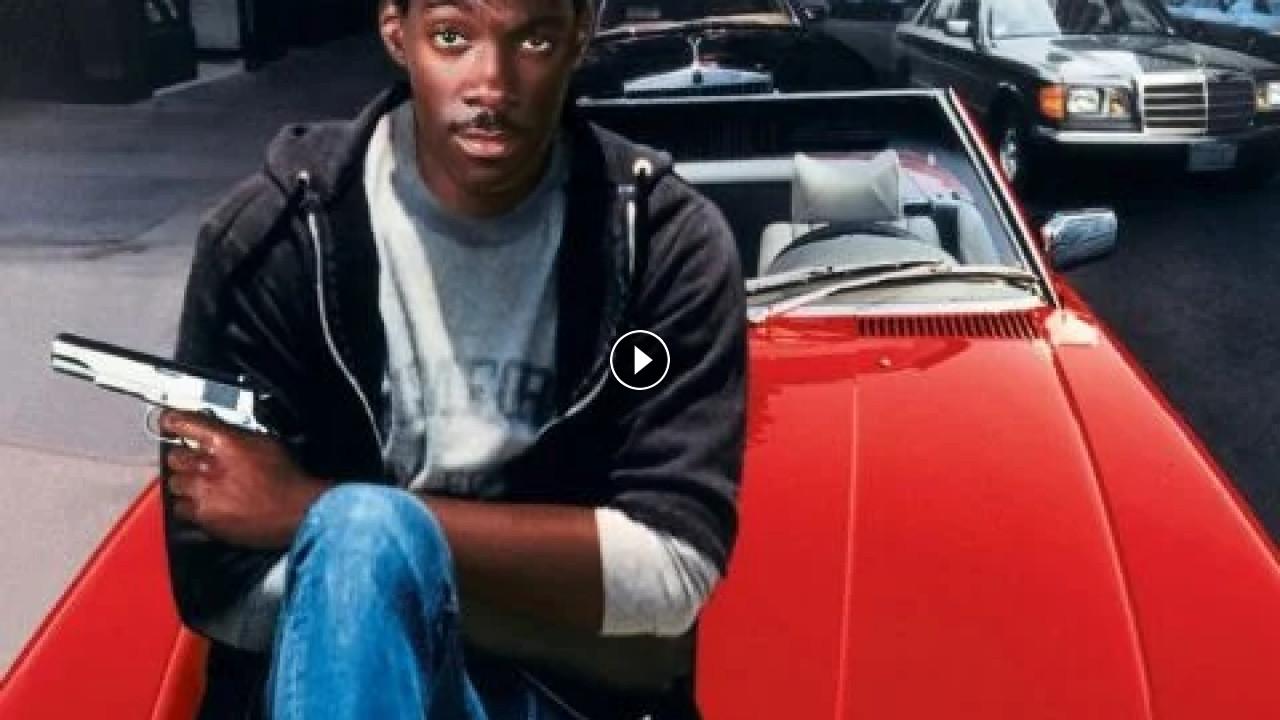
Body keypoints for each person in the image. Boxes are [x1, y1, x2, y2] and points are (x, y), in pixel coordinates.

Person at [158, 0, 747, 718]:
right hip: (336, 689)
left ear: (579, 36)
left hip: (565, 705)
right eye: (451, 37)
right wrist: (393, 574)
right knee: (362, 537)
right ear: (394, 31)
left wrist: (305, 511)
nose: (491, 85)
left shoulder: (660, 247)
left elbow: (671, 569)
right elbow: (219, 590)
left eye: (533, 40)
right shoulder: (273, 243)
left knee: (361, 533)